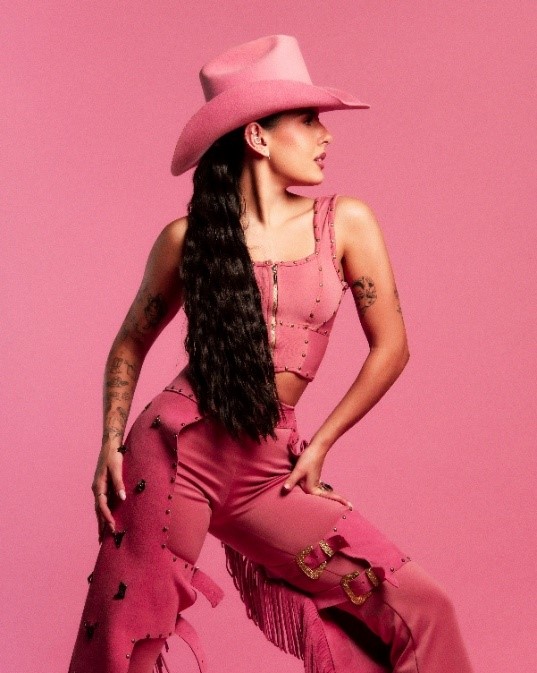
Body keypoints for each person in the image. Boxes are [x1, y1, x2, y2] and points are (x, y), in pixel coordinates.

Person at [68, 35, 473, 673]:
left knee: (419, 606)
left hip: (270, 468)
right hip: (175, 451)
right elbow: (130, 342)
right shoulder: (188, 239)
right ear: (258, 136)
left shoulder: (346, 222)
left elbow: (392, 347)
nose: (325, 136)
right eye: (308, 120)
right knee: (128, 638)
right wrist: (109, 444)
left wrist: (321, 444)